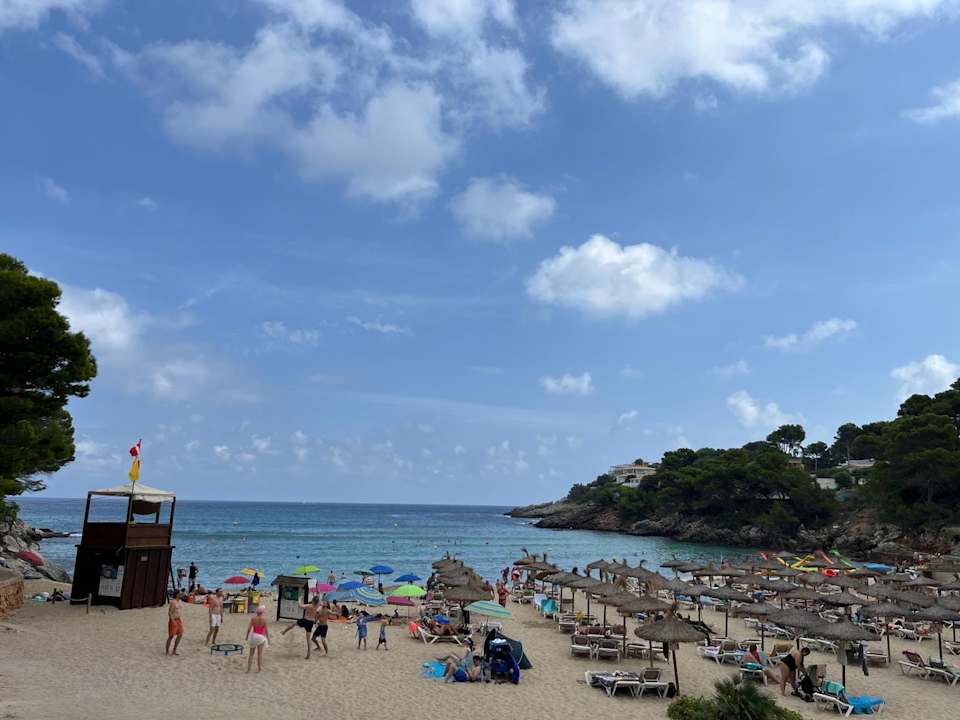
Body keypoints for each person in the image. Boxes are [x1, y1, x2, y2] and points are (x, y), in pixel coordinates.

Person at [281, 595, 322, 659]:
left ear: (313, 600)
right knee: (308, 639)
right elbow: (319, 600)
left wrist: (300, 599)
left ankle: (284, 632)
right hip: (310, 622)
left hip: (305, 620)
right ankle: (308, 653)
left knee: (293, 624)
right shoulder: (317, 606)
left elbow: (300, 606)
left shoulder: (309, 605)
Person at [245, 606, 270, 673]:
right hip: (261, 636)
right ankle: (259, 669)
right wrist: (268, 639)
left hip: (254, 635)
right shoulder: (264, 619)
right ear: (262, 612)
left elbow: (249, 629)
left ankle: (248, 669)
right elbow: (266, 630)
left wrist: (247, 636)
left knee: (251, 654)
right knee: (259, 654)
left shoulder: (253, 618)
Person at [166, 591, 185, 656]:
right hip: (173, 620)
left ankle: (174, 650)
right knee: (171, 636)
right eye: (180, 594)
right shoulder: (173, 602)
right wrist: (172, 621)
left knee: (180, 634)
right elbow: (170, 612)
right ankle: (167, 651)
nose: (181, 594)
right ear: (176, 595)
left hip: (179, 620)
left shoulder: (180, 601)